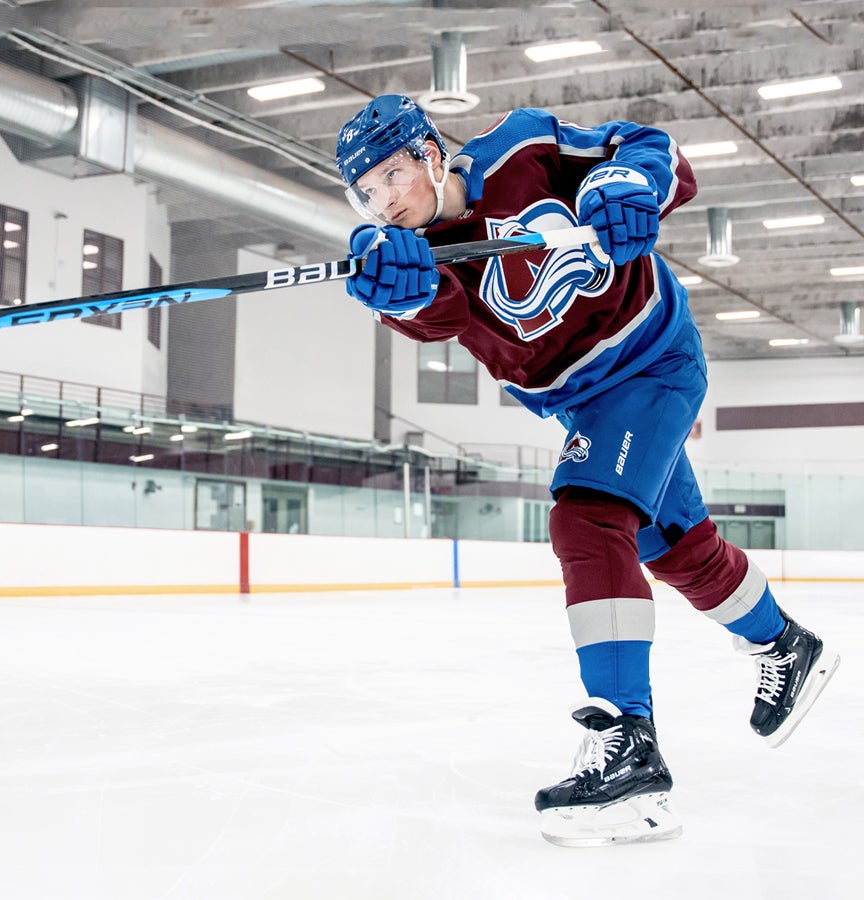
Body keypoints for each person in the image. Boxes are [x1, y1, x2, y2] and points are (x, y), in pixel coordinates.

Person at [335, 94, 840, 847]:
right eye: (366, 193)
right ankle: (785, 644)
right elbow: (429, 311)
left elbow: (648, 146)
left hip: (652, 359)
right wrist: (390, 294)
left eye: (392, 176)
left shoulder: (522, 147)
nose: (385, 201)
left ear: (431, 153)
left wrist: (628, 183)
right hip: (584, 405)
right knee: (675, 547)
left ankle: (628, 739)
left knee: (588, 517)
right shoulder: (419, 259)